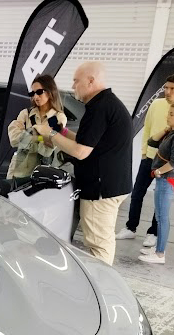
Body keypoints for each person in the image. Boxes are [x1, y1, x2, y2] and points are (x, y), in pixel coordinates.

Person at [35, 62, 132, 266]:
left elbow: (80, 152)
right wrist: (62, 132)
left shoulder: (100, 108)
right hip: (110, 185)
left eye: (76, 81)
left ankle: (101, 282)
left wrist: (50, 134)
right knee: (101, 239)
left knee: (99, 244)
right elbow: (86, 141)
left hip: (101, 189)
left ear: (91, 81)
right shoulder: (105, 104)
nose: (73, 86)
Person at [117, 73, 174, 247]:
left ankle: (153, 233)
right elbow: (148, 128)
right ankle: (130, 227)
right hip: (149, 157)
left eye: (172, 88)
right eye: (166, 87)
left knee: (160, 199)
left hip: (168, 164)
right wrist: (144, 152)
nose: (167, 91)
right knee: (137, 193)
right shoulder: (156, 104)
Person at [6, 75, 68, 178]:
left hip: (41, 174)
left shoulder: (59, 117)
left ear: (50, 92)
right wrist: (39, 138)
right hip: (17, 170)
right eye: (32, 93)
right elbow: (14, 139)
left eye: (39, 92)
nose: (35, 97)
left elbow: (48, 148)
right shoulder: (26, 113)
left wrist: (28, 137)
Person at [138, 102, 174, 265]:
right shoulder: (171, 133)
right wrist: (166, 129)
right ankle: (158, 249)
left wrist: (159, 172)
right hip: (164, 179)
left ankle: (160, 253)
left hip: (166, 179)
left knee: (162, 217)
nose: (167, 116)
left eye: (171, 114)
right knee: (161, 216)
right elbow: (152, 142)